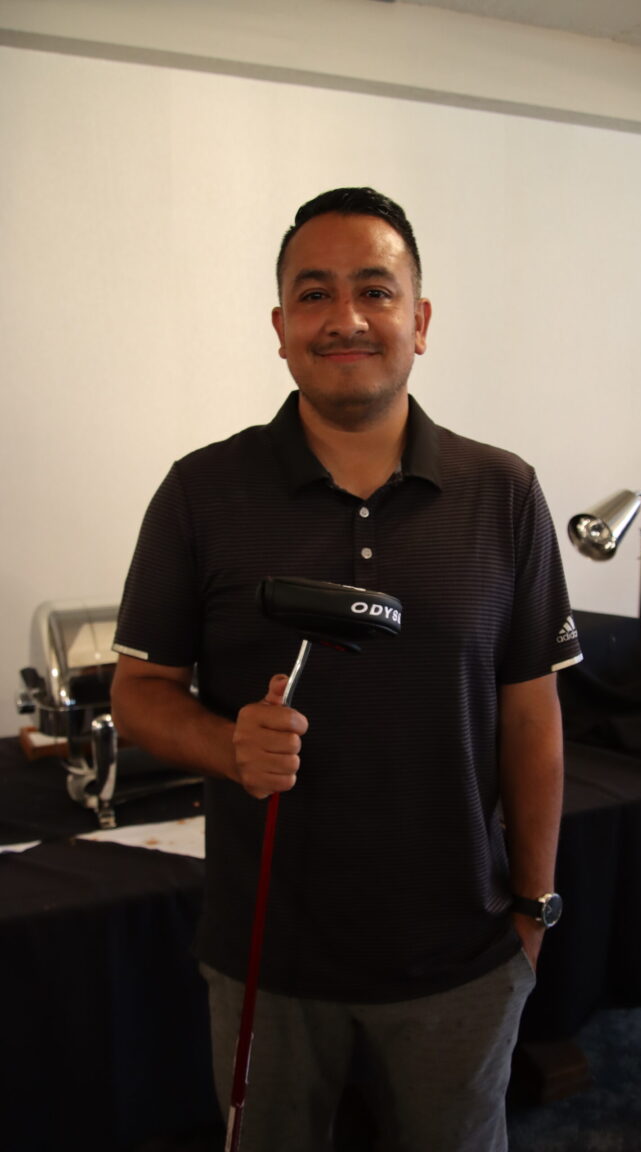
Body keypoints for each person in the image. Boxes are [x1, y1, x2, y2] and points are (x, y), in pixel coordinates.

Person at [110, 187, 582, 1152]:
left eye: (376, 289)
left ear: (421, 319)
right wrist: (228, 742)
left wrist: (533, 911)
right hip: (265, 957)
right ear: (281, 327)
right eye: (314, 294)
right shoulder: (202, 490)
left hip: (463, 953)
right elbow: (139, 695)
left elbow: (531, 717)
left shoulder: (506, 493)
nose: (347, 318)